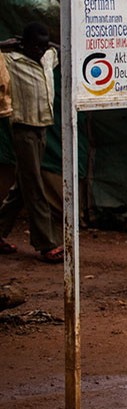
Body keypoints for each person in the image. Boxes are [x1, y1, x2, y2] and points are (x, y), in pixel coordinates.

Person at [0, 22, 63, 262]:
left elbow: (62, 49)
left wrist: (49, 45)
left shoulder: (48, 57)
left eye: (43, 45)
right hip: (23, 129)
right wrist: (10, 43)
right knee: (35, 185)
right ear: (24, 43)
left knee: (22, 185)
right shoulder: (11, 61)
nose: (40, 49)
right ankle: (46, 243)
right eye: (35, 45)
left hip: (43, 128)